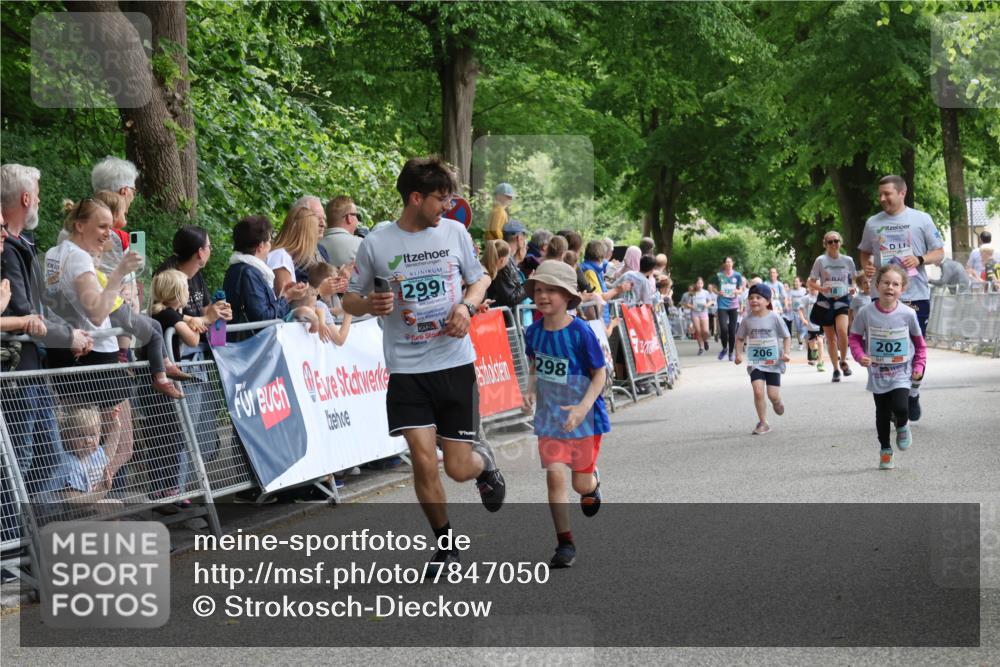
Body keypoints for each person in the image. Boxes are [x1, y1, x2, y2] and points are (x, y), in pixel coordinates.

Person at [343, 156, 504, 575]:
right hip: (406, 369)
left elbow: (481, 278)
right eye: (440, 199)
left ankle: (483, 464)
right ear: (415, 197)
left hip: (454, 363)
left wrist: (467, 308)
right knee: (421, 456)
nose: (446, 208)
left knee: (457, 467)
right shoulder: (377, 243)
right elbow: (349, 298)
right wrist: (370, 304)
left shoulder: (454, 233)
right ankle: (447, 547)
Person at [1, 165, 92, 497]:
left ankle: (28, 536)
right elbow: (25, 312)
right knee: (18, 461)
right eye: (37, 194)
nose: (39, 199)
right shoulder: (9, 248)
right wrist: (68, 336)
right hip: (16, 370)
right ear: (26, 198)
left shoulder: (22, 243)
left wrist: (69, 332)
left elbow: (37, 310)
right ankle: (12, 543)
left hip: (32, 366)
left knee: (48, 457)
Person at [520, 261, 608, 568]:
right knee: (555, 475)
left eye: (551, 290)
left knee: (579, 485)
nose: (543, 296)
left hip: (584, 417)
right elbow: (535, 364)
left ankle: (593, 485)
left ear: (567, 295)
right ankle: (565, 543)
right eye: (539, 289)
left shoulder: (580, 332)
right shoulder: (533, 332)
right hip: (550, 416)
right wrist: (530, 389)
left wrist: (583, 407)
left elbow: (600, 374)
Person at [858, 175, 944, 420]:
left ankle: (913, 393)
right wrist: (868, 268)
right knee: (885, 346)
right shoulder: (873, 223)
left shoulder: (921, 219)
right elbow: (864, 252)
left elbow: (939, 252)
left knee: (916, 348)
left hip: (915, 294)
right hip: (881, 297)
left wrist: (919, 259)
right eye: (880, 194)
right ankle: (893, 397)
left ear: (902, 193)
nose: (882, 198)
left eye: (887, 194)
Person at [849, 264, 926, 470]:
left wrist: (919, 364)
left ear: (902, 289)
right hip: (877, 373)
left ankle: (902, 424)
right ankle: (885, 449)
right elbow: (854, 338)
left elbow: (920, 344)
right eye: (886, 282)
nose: (890, 287)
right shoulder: (866, 312)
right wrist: (860, 355)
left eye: (895, 284)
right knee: (882, 414)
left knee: (901, 407)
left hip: (901, 372)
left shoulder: (908, 314)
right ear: (877, 285)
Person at [223, 215, 312, 326]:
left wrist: (283, 294)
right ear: (260, 246)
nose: (271, 246)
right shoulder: (249, 273)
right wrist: (288, 296)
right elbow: (264, 318)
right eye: (269, 241)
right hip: (253, 342)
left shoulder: (238, 268)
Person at [734, 284, 790, 435]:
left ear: (767, 301)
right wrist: (738, 354)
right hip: (756, 362)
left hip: (773, 362)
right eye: (751, 298)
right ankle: (763, 422)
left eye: (758, 297)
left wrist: (786, 353)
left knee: (773, 395)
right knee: (758, 391)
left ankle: (777, 402)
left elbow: (786, 336)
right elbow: (739, 338)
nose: (754, 300)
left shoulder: (775, 317)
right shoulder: (747, 320)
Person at [809, 231, 857, 383]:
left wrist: (852, 287)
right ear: (825, 244)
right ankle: (836, 369)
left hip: (842, 299)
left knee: (842, 330)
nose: (833, 244)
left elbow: (853, 279)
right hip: (825, 301)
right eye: (830, 242)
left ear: (840, 242)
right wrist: (822, 289)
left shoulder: (848, 260)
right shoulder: (821, 260)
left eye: (836, 241)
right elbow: (811, 282)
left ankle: (843, 360)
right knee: (830, 338)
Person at [54, 406, 121, 511]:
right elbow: (74, 502)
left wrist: (117, 425)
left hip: (88, 502)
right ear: (66, 436)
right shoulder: (69, 463)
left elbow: (109, 451)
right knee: (112, 508)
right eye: (80, 435)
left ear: (99, 434)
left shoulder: (92, 454)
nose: (88, 440)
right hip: (69, 512)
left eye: (93, 435)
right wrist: (101, 490)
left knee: (116, 505)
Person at [269, 205, 326, 295]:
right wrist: (321, 291)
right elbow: (284, 302)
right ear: (307, 234)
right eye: (315, 230)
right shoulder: (281, 258)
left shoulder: (283, 256)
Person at [713, 256, 746, 361]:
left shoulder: (737, 275)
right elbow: (713, 288)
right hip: (722, 305)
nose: (729, 264)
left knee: (732, 331)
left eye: (730, 262)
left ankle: (731, 352)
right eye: (727, 262)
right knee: (723, 329)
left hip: (733, 305)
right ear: (724, 264)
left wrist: (737, 291)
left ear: (733, 263)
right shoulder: (719, 275)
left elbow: (741, 289)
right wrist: (718, 292)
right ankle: (724, 348)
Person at [319, 195, 363, 269]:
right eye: (356, 215)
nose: (357, 220)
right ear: (349, 218)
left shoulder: (314, 245)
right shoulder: (361, 244)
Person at [799, 280, 825, 371]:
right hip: (810, 325)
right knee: (812, 344)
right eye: (812, 287)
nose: (814, 289)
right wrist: (803, 319)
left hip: (820, 324)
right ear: (809, 287)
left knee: (820, 342)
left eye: (816, 287)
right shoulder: (806, 298)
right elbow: (801, 310)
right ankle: (814, 351)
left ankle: (820, 363)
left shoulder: (822, 297)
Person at [684, 277, 713, 354]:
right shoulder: (692, 293)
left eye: (701, 283)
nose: (699, 285)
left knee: (705, 331)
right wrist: (692, 306)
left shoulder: (705, 292)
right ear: (695, 284)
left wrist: (707, 305)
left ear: (703, 284)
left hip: (704, 312)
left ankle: (705, 340)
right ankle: (701, 348)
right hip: (695, 313)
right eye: (698, 283)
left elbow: (711, 301)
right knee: (698, 331)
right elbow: (687, 303)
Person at [765, 267, 788, 335]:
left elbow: (785, 296)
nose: (772, 274)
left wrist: (786, 305)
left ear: (777, 274)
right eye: (771, 272)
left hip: (777, 308)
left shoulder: (779, 284)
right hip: (768, 307)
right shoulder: (766, 283)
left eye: (774, 272)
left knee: (775, 326)